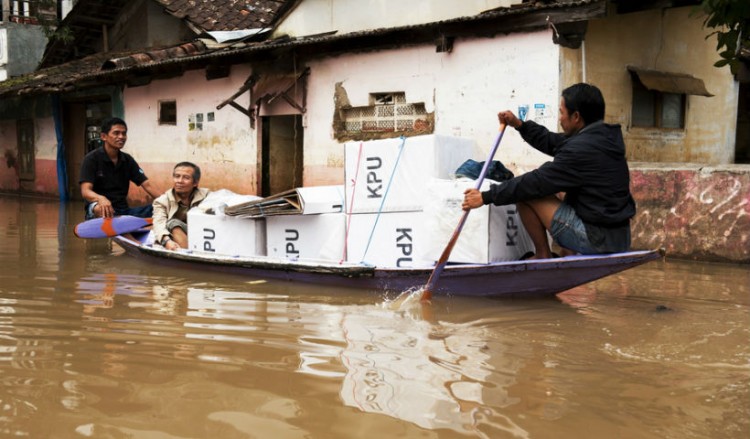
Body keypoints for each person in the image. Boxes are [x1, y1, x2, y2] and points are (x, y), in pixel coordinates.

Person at [462, 83, 636, 259]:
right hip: (620, 237)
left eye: (562, 112)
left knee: (526, 193)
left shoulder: (580, 149)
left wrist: (485, 197)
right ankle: (567, 251)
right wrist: (519, 125)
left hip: (596, 240)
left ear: (576, 116)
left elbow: (535, 183)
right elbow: (552, 141)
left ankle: (542, 255)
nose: (560, 118)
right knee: (559, 192)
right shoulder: (604, 138)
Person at [79, 117, 160, 219]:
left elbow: (147, 185)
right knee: (102, 209)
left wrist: (168, 201)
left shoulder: (127, 160)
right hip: (98, 208)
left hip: (123, 210)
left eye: (124, 133)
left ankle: (124, 225)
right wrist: (101, 198)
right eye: (116, 133)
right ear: (104, 136)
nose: (121, 137)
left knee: (160, 208)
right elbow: (85, 191)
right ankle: (124, 228)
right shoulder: (91, 159)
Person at [152, 162, 210, 251]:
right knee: (172, 223)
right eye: (177, 176)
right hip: (174, 239)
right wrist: (166, 241)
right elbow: (159, 224)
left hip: (202, 235)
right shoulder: (161, 201)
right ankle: (190, 256)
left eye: (186, 178)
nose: (179, 181)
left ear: (195, 183)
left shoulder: (207, 195)